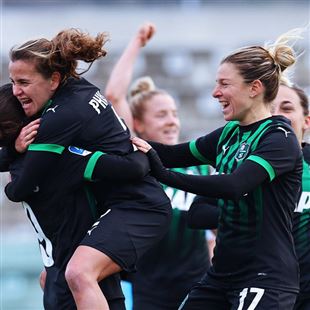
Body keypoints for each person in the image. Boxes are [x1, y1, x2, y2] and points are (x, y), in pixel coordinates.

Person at [132, 29, 303, 309]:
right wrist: (117, 141)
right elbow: (172, 154)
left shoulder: (278, 138)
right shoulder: (228, 134)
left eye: (224, 84)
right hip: (222, 275)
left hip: (264, 276)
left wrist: (165, 176)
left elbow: (235, 186)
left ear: (254, 88)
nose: (216, 93)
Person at [5, 28, 172, 309]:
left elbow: (21, 187)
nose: (15, 91)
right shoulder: (80, 88)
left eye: (23, 81)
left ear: (54, 79)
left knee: (78, 273)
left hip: (137, 207)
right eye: (12, 81)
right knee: (59, 277)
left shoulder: (61, 117)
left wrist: (13, 152)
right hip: (119, 207)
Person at [0, 83, 153, 309]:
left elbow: (15, 186)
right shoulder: (63, 160)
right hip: (85, 283)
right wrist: (141, 152)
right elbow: (132, 168)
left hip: (56, 280)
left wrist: (12, 151)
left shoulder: (19, 164)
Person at [105, 22, 213, 309]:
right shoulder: (137, 164)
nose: (172, 121)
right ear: (137, 124)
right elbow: (114, 96)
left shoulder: (199, 167)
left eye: (174, 114)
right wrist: (136, 43)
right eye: (161, 115)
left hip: (197, 279)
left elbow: (216, 231)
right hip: (150, 282)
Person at [272, 82, 310, 310]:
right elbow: (199, 214)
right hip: (266, 289)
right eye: (270, 109)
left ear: (306, 120)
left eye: (286, 108)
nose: (277, 116)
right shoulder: (244, 165)